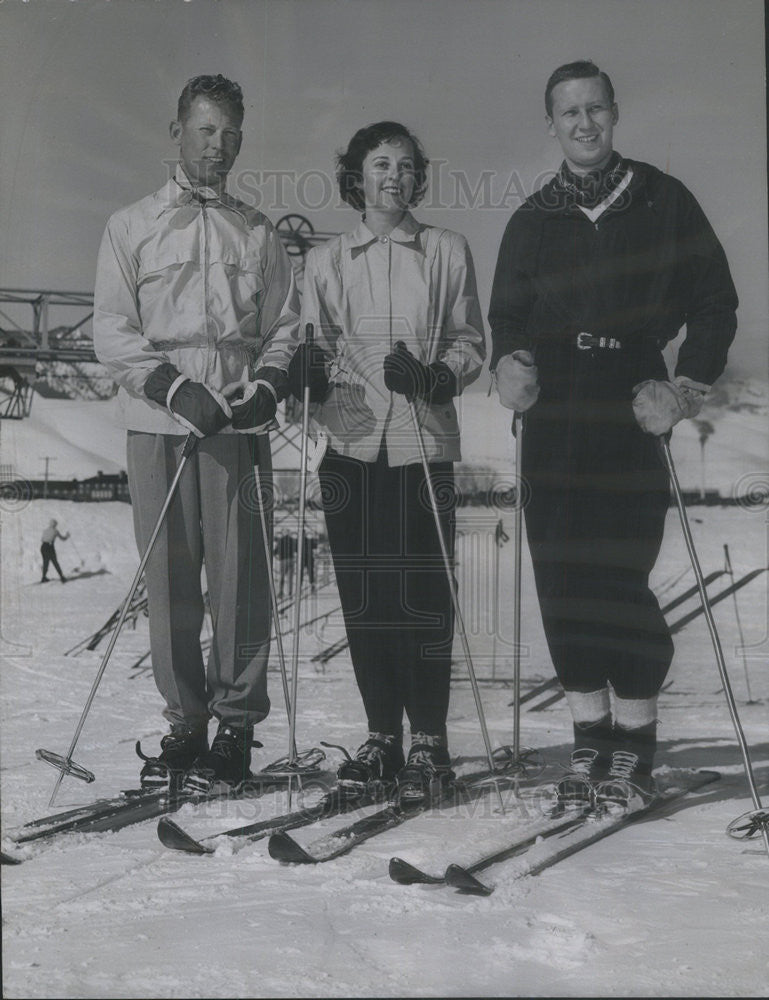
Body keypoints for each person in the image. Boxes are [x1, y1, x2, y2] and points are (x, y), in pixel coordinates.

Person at [489, 61, 737, 813]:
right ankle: (588, 739)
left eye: (595, 109)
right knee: (560, 575)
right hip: (555, 406)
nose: (584, 123)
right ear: (551, 123)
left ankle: (635, 746)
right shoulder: (532, 218)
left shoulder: (662, 199)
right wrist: (508, 364)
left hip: (631, 397)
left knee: (618, 574)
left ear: (614, 112)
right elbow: (506, 318)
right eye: (568, 112)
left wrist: (682, 387)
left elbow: (714, 301)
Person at [94, 74, 300, 791]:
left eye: (232, 133)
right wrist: (174, 388)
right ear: (176, 131)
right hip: (160, 424)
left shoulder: (258, 230)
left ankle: (236, 725)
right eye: (207, 130)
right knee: (172, 577)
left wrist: (269, 384)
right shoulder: (131, 225)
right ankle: (186, 723)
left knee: (241, 576)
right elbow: (112, 331)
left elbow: (283, 329)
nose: (220, 145)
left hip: (236, 422)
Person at [295, 121, 486, 802]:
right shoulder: (325, 260)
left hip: (421, 440)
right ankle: (381, 735)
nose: (393, 177)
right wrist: (309, 374)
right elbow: (309, 344)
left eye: (405, 166)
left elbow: (470, 340)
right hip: (349, 443)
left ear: (417, 178)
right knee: (366, 593)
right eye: (379, 165)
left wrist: (437, 376)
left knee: (425, 592)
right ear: (356, 175)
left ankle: (428, 736)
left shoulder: (443, 250)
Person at [40, 519, 69, 583]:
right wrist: (67, 536)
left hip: (43, 547)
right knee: (55, 562)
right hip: (50, 548)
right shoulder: (55, 531)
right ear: (55, 525)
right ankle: (62, 577)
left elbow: (42, 539)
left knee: (45, 563)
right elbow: (63, 539)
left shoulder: (45, 530)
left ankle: (43, 577)